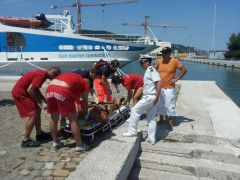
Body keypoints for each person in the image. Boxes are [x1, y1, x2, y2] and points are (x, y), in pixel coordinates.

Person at [11, 67, 61, 148]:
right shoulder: (41, 75)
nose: (54, 79)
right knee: (34, 114)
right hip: (21, 93)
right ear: (53, 73)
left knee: (37, 110)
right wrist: (41, 102)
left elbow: (35, 89)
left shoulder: (42, 74)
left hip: (23, 91)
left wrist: (44, 100)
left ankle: (39, 134)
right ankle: (25, 140)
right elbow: (30, 90)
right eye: (56, 77)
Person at [46, 72, 90, 153]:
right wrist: (85, 114)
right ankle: (80, 147)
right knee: (73, 120)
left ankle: (55, 143)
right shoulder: (86, 85)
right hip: (62, 90)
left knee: (53, 119)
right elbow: (85, 101)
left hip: (50, 88)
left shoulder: (74, 77)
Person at [122, 56, 162, 145]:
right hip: (151, 96)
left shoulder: (151, 70)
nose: (140, 64)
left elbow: (159, 82)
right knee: (151, 118)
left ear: (147, 62)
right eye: (140, 63)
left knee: (134, 110)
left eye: (142, 62)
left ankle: (132, 131)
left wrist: (157, 97)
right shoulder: (148, 71)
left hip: (151, 97)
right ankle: (151, 138)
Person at [155, 47, 187, 129]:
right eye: (162, 53)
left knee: (169, 105)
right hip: (160, 87)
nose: (163, 55)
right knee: (160, 104)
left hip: (169, 87)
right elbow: (154, 71)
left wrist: (176, 79)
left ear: (170, 53)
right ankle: (161, 119)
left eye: (165, 53)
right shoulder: (159, 61)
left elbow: (184, 70)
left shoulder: (174, 61)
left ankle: (170, 122)